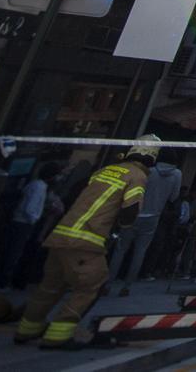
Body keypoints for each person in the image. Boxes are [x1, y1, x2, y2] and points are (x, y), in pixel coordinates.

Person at [15, 136, 160, 349]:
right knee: (93, 284)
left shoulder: (105, 170)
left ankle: (27, 329)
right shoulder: (137, 176)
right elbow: (129, 213)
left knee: (50, 285)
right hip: (86, 240)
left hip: (60, 235)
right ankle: (59, 335)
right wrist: (121, 224)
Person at [109, 154, 181, 295]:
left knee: (121, 249)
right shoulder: (176, 174)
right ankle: (127, 286)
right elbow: (174, 197)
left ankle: (107, 283)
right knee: (140, 251)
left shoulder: (150, 171)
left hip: (134, 212)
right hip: (153, 216)